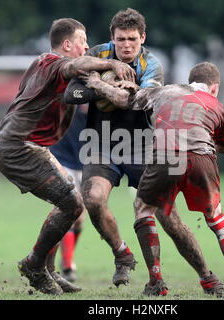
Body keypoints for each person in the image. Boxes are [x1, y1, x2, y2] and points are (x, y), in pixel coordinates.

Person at [83, 62, 224, 297]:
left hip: (165, 155)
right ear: (214, 87)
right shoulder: (217, 105)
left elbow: (123, 100)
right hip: (201, 158)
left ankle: (156, 281)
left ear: (189, 80)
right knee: (216, 218)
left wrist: (97, 84)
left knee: (144, 209)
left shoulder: (164, 91)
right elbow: (223, 147)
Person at [0, 18, 135, 295]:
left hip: (25, 145)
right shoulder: (54, 62)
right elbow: (75, 66)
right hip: (18, 146)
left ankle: (50, 270)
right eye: (83, 41)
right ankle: (34, 266)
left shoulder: (43, 65)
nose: (87, 46)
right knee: (72, 203)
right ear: (67, 44)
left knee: (68, 201)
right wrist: (111, 64)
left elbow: (75, 86)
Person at [63, 8, 164, 287]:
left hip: (141, 147)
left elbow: (133, 102)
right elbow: (71, 94)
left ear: (142, 37)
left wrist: (100, 85)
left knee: (167, 214)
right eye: (121, 39)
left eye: (132, 39)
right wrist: (103, 81)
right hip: (100, 145)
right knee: (93, 200)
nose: (126, 45)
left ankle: (187, 277)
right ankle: (122, 254)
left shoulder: (152, 65)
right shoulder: (96, 55)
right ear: (112, 38)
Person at [46, 105, 88, 283]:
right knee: (71, 210)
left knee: (80, 220)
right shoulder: (70, 93)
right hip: (63, 160)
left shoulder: (102, 98)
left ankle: (61, 260)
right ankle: (65, 266)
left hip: (87, 162)